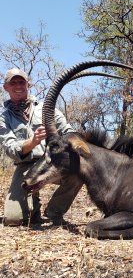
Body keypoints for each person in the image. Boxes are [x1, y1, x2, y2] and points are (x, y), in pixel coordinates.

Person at [0, 68, 83, 226]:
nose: (18, 85)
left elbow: (69, 131)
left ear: (28, 85)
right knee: (13, 220)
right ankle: (33, 208)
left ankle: (54, 211)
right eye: (13, 83)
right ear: (6, 87)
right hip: (26, 166)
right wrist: (32, 142)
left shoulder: (46, 108)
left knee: (79, 172)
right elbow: (11, 148)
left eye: (21, 82)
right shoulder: (4, 118)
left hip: (52, 162)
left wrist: (70, 143)